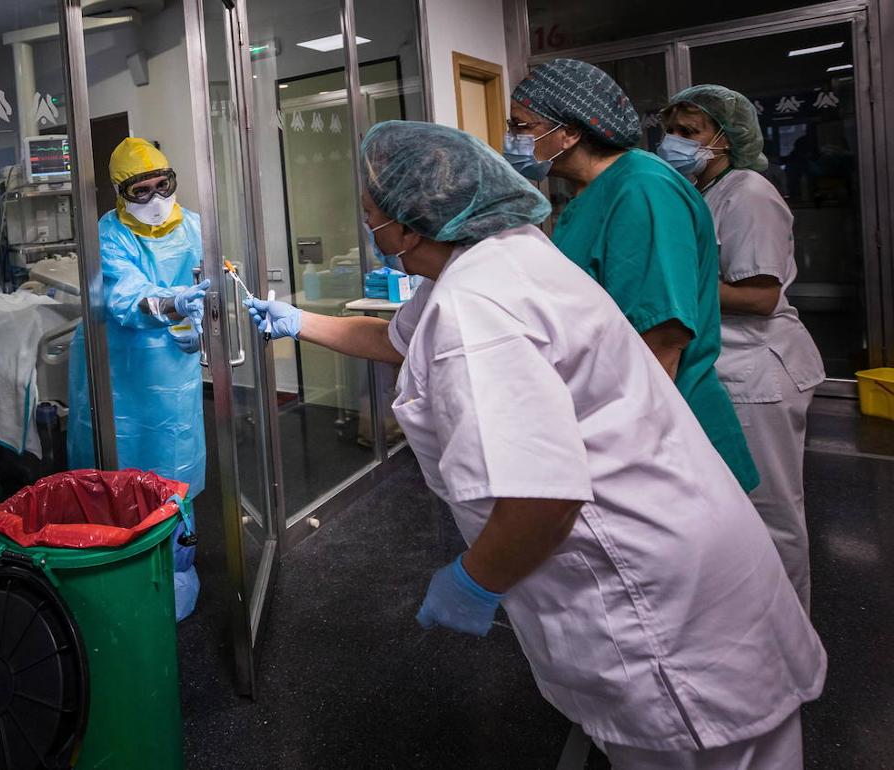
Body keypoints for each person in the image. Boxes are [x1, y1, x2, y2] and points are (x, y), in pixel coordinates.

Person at [248, 120, 824, 768]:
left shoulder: (475, 310)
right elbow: (394, 338)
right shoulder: (501, 252)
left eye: (370, 215)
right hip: (687, 538)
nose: (367, 227)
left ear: (409, 228)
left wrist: (474, 579)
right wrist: (296, 321)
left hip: (653, 594)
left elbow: (543, 499)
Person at [503, 58, 760, 493]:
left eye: (522, 126)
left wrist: (618, 453)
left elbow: (661, 339)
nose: (512, 139)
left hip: (661, 437)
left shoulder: (642, 188)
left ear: (569, 132)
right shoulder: (592, 193)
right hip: (617, 417)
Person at [660, 85, 826, 611]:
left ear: (726, 138)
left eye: (690, 132)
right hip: (725, 367)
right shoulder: (703, 191)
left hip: (758, 372)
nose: (674, 142)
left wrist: (670, 286)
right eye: (671, 131)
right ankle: (750, 625)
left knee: (770, 513)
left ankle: (791, 635)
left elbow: (760, 296)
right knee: (732, 509)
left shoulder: (749, 193)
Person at [66, 138, 208, 618]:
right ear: (120, 193)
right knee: (119, 464)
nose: (154, 198)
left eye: (161, 185)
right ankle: (116, 567)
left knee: (175, 462)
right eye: (140, 191)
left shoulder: (194, 226)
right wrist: (171, 305)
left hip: (174, 369)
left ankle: (178, 568)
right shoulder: (108, 235)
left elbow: (207, 283)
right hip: (120, 369)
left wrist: (198, 321)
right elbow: (125, 295)